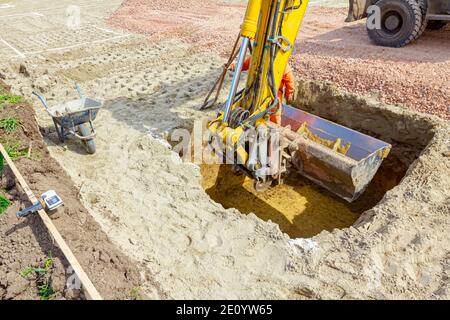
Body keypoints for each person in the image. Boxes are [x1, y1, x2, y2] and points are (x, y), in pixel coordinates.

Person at [228, 56, 295, 125]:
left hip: (273, 95)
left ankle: (276, 128)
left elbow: (289, 80)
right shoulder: (258, 56)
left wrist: (289, 93)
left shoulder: (282, 64)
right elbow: (245, 64)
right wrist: (234, 66)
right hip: (256, 91)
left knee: (275, 114)